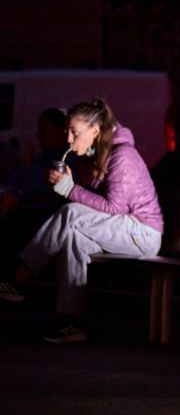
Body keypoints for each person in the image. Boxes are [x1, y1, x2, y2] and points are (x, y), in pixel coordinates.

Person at [0, 98, 163, 344]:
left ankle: (21, 275)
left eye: (74, 133)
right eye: (67, 132)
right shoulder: (90, 157)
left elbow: (114, 208)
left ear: (94, 131)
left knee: (72, 213)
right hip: (118, 228)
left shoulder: (123, 156)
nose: (68, 139)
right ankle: (72, 321)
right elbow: (93, 202)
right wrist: (72, 181)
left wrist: (70, 189)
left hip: (142, 233)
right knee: (73, 239)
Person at [0, 108, 78, 272]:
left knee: (15, 225)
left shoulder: (68, 161)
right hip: (21, 210)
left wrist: (21, 196)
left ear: (61, 131)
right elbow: (14, 183)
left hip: (44, 217)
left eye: (43, 130)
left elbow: (54, 194)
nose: (38, 135)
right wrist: (11, 194)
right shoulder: (38, 159)